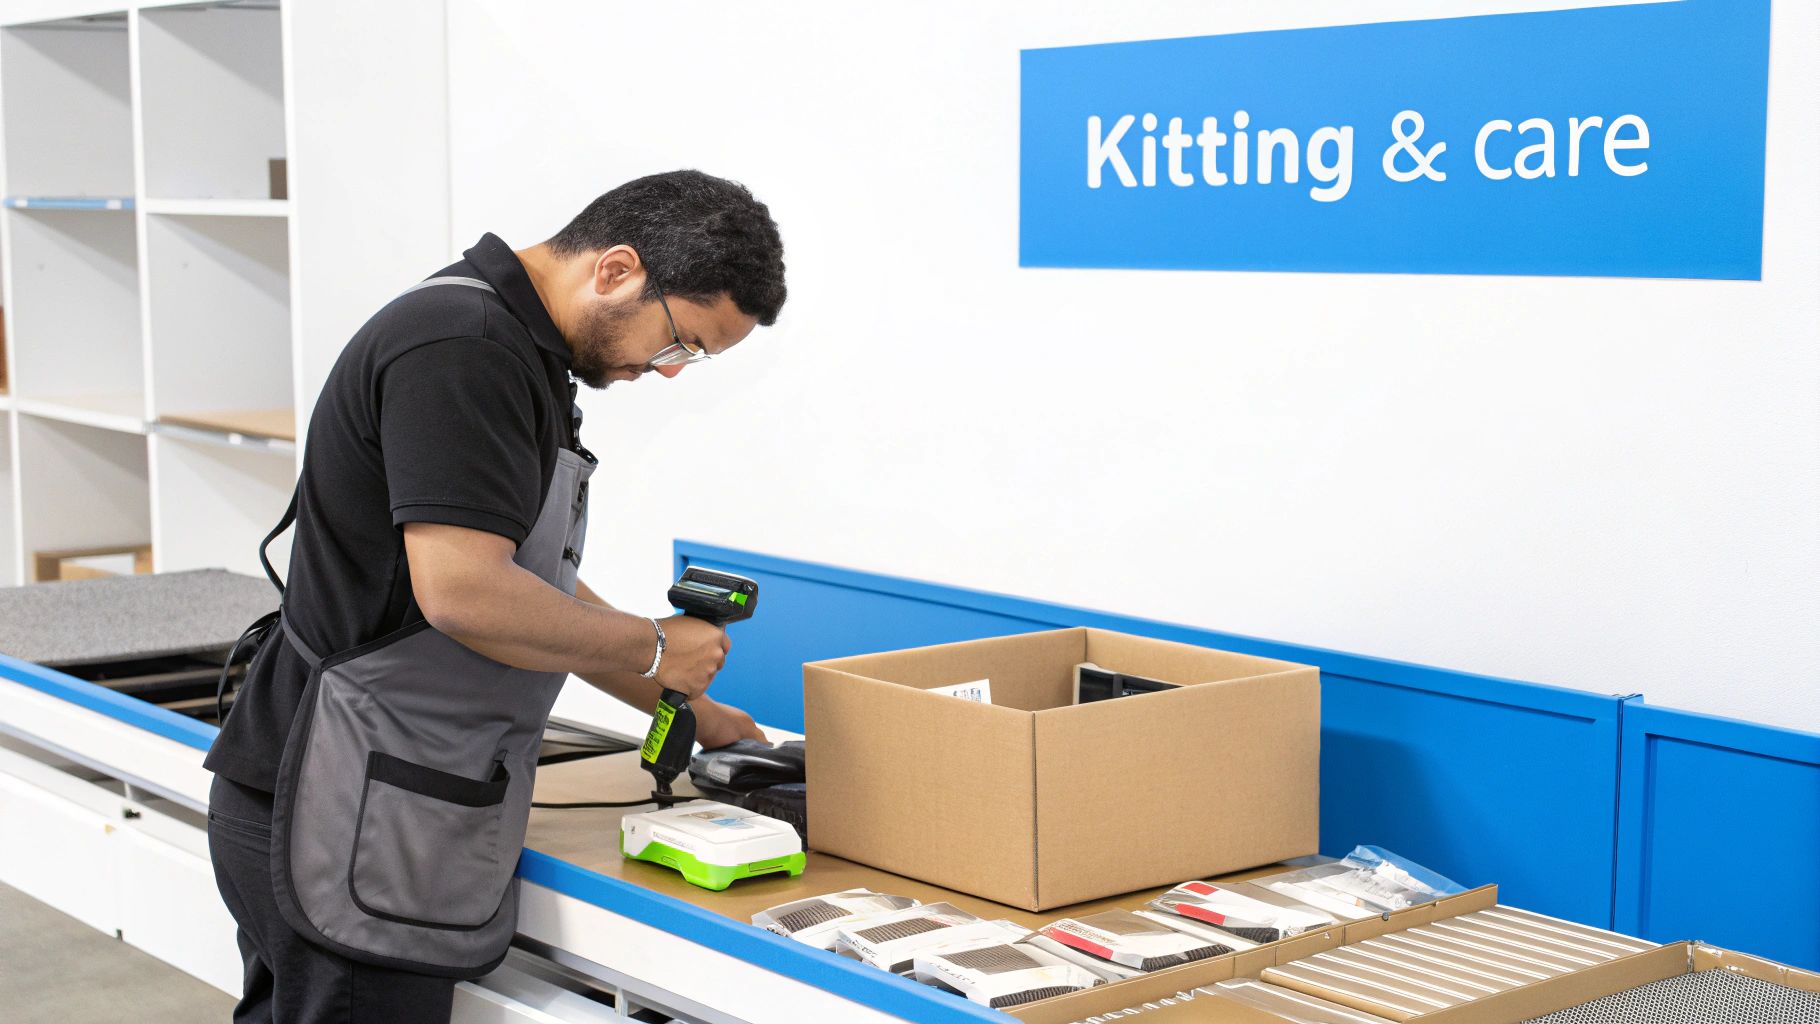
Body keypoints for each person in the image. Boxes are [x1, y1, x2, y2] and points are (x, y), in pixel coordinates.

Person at [202, 170, 787, 1023]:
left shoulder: (513, 347)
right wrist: (655, 648)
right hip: (336, 797)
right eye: (682, 344)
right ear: (618, 270)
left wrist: (669, 691)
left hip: (368, 783)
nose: (667, 372)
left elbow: (527, 573)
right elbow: (465, 593)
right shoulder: (463, 347)